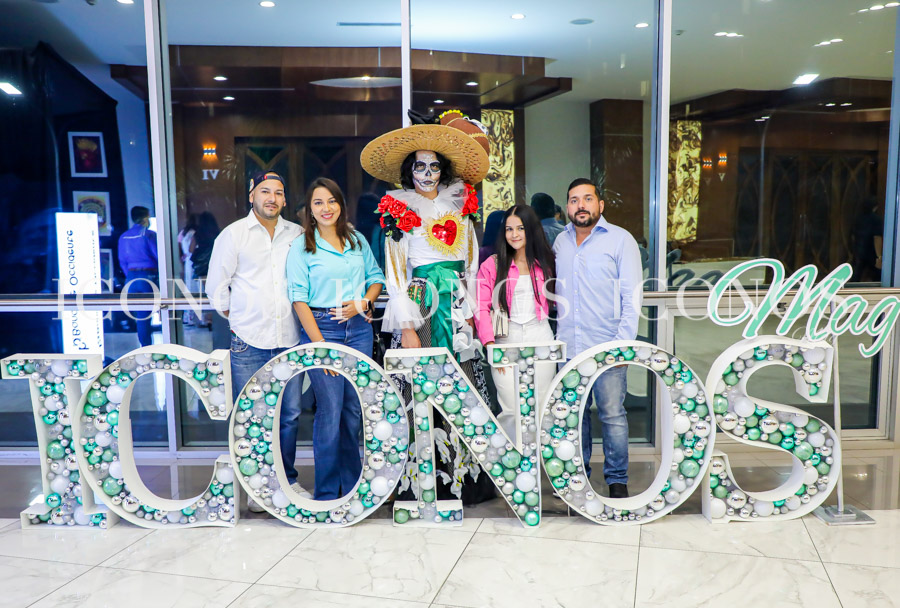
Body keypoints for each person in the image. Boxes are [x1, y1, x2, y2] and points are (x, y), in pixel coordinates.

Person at [360, 108, 495, 503]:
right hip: (421, 303)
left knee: (462, 382)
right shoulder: (397, 210)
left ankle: (464, 480)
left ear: (443, 169)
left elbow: (471, 263)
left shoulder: (460, 205)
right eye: (420, 166)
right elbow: (395, 273)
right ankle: (420, 481)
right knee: (420, 384)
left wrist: (472, 309)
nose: (428, 173)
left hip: (456, 302)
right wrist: (406, 326)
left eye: (435, 166)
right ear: (409, 170)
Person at [205, 171, 310, 509]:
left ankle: (287, 481)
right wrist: (238, 318)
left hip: (289, 338)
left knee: (289, 414)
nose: (272, 198)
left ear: (284, 199)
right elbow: (216, 287)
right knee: (251, 415)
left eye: (278, 193)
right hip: (248, 340)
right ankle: (258, 488)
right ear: (252, 195)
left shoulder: (297, 234)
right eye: (265, 191)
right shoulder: (233, 235)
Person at [286, 178, 385, 499]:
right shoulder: (302, 246)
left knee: (353, 409)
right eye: (318, 202)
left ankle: (351, 487)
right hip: (322, 330)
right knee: (330, 410)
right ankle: (328, 493)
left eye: (331, 201)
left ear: (341, 204)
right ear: (309, 209)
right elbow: (298, 300)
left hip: (358, 330)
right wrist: (320, 348)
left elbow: (376, 279)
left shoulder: (356, 239)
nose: (326, 208)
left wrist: (363, 302)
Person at [554, 177, 642, 499]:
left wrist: (622, 345)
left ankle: (617, 481)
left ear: (600, 204)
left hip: (608, 346)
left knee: (612, 415)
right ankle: (579, 477)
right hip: (568, 347)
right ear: (567, 207)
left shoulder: (620, 240)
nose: (581, 205)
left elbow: (632, 298)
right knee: (575, 417)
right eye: (574, 200)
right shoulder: (560, 242)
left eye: (587, 199)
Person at [475, 205, 555, 444]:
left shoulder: (545, 262)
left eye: (520, 228)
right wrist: (490, 345)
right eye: (509, 229)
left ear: (531, 230)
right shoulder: (492, 264)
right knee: (510, 408)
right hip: (505, 340)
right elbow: (480, 307)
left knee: (541, 405)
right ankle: (513, 460)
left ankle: (538, 460)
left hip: (540, 335)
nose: (514, 234)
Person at [117, 206, 159, 347]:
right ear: (145, 218)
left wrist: (130, 275)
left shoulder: (124, 236)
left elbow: (122, 261)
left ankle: (145, 347)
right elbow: (158, 256)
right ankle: (159, 347)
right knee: (166, 308)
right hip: (149, 275)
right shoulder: (149, 235)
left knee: (142, 316)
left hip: (131, 277)